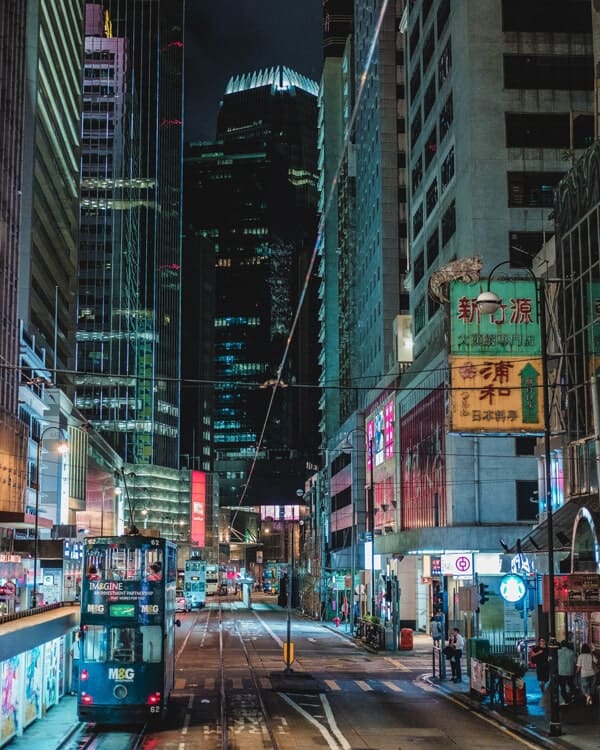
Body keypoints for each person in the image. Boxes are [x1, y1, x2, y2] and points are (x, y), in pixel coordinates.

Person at [557, 639, 577, 705]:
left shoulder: (558, 652)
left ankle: (566, 700)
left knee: (562, 687)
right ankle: (572, 696)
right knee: (571, 684)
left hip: (561, 672)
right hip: (570, 672)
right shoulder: (572, 652)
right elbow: (575, 661)